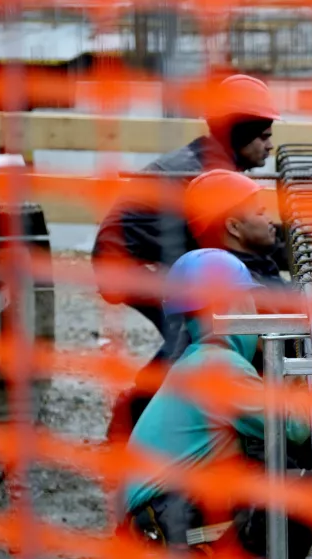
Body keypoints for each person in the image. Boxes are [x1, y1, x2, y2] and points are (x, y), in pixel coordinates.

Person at [96, 75, 284, 442]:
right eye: (262, 137)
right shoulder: (208, 175)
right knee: (196, 328)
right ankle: (137, 418)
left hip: (151, 256)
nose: (270, 147)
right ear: (238, 134)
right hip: (128, 265)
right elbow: (234, 242)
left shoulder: (211, 161)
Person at [122, 248, 312, 558]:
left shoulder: (199, 360)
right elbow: (295, 426)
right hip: (166, 521)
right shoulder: (219, 367)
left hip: (157, 517)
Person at [107, 170, 292, 441]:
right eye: (261, 212)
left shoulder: (213, 271)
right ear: (233, 227)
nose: (270, 220)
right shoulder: (234, 284)